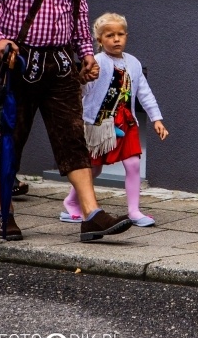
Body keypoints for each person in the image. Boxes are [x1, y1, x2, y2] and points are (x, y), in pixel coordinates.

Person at [0, 0, 133, 242]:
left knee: (73, 137)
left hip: (59, 62)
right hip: (15, 61)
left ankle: (92, 215)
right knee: (9, 138)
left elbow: (78, 7)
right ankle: (2, 211)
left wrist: (85, 51)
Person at [61, 12, 168, 227]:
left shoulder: (133, 63)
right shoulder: (97, 62)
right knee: (93, 168)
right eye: (110, 35)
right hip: (99, 124)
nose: (116, 39)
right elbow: (84, 92)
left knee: (133, 164)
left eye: (120, 34)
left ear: (126, 36)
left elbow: (144, 93)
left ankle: (134, 211)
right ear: (99, 40)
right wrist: (83, 79)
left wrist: (156, 118)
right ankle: (71, 202)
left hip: (126, 121)